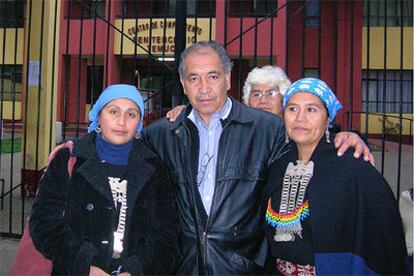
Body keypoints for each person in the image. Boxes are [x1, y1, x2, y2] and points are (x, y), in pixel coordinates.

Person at [141, 41, 373, 274]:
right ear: (183, 84)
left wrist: (343, 137)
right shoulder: (159, 136)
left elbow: (309, 145)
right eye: (194, 78)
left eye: (212, 76)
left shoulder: (269, 130)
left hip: (244, 268)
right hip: (181, 267)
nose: (203, 88)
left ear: (228, 79)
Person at [29, 84, 180, 275]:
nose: (121, 121)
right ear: (99, 116)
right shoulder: (69, 159)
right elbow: (44, 224)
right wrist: (85, 265)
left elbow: (167, 233)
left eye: (131, 114)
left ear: (139, 123)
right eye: (114, 111)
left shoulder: (154, 166)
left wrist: (138, 269)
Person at [263, 78, 407, 275]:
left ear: (328, 118)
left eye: (311, 109)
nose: (300, 118)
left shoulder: (352, 168)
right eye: (292, 109)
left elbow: (384, 234)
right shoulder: (277, 166)